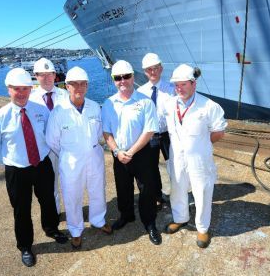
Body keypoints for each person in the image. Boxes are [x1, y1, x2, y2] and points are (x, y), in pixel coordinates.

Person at [0, 68, 68, 268]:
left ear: (31, 88)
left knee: (48, 200)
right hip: (17, 169)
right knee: (21, 209)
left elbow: (50, 134)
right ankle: (25, 246)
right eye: (16, 89)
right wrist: (9, 161)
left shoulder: (40, 110)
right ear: (8, 89)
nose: (21, 93)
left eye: (25, 88)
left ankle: (51, 228)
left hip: (41, 163)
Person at [46, 66, 112, 250]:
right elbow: (52, 141)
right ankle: (75, 230)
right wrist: (70, 152)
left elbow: (99, 133)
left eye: (83, 84)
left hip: (94, 156)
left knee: (98, 190)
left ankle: (98, 220)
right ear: (67, 86)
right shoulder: (58, 112)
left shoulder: (94, 107)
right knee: (72, 196)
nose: (79, 88)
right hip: (71, 161)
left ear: (87, 86)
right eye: (74, 84)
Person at [163, 64, 227, 248]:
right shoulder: (169, 104)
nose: (179, 89)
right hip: (177, 158)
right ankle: (180, 218)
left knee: (202, 192)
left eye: (183, 84)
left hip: (199, 159)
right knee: (177, 188)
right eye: (176, 85)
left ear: (193, 84)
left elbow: (219, 132)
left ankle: (202, 228)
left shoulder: (208, 106)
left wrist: (200, 145)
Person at [101, 60, 162, 245]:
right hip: (119, 153)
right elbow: (106, 132)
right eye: (117, 78)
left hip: (141, 153)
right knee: (123, 188)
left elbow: (149, 130)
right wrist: (118, 151)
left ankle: (149, 222)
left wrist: (131, 152)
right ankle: (126, 216)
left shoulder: (144, 101)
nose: (122, 81)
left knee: (147, 189)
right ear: (113, 80)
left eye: (126, 76)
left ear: (133, 77)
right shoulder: (108, 103)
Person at [29, 57, 69, 214]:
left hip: (65, 146)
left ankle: (73, 210)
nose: (46, 78)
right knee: (49, 185)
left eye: (49, 74)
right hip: (44, 150)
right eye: (41, 74)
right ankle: (55, 212)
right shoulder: (30, 98)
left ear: (55, 75)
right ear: (36, 77)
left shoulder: (65, 95)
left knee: (70, 181)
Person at [137, 53, 174, 207]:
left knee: (175, 166)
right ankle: (158, 196)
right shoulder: (141, 92)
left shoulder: (172, 89)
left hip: (169, 134)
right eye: (149, 69)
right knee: (151, 168)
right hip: (150, 135)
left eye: (155, 68)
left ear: (161, 68)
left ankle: (178, 197)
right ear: (145, 72)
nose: (152, 72)